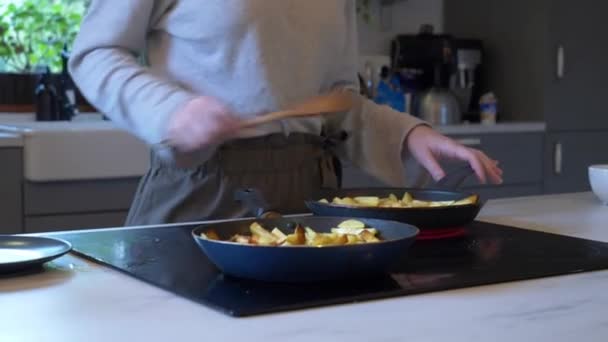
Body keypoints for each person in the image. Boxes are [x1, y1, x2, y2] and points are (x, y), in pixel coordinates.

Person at [69, 1, 502, 226]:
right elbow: (94, 53)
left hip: (312, 196)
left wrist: (407, 134)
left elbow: (334, 102)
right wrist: (170, 112)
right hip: (203, 192)